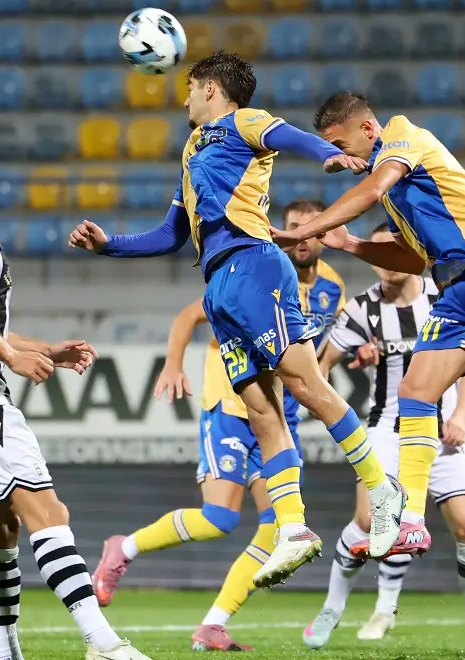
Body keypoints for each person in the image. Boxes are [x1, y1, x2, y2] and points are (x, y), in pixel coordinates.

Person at [68, 53, 404, 588]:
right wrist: (109, 244)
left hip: (254, 264)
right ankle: (294, 529)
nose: (185, 99)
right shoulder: (190, 151)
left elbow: (289, 135)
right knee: (261, 410)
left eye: (190, 88)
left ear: (210, 88)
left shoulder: (243, 121)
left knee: (304, 383)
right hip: (219, 283)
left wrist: (330, 155)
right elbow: (170, 235)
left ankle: (383, 488)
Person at [271, 92, 465, 651]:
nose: (342, 159)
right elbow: (414, 258)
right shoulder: (397, 190)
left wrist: (305, 230)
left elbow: (369, 188)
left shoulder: (403, 137)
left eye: (341, 146)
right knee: (415, 390)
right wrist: (353, 244)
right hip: (457, 285)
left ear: (367, 129)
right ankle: (411, 517)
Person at [0, 133, 149, 660]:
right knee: (49, 513)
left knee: (0, 530)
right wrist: (11, 356)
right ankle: (103, 643)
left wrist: (41, 349)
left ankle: (6, 652)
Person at [88, 200, 345, 652]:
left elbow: (312, 349)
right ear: (280, 231)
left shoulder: (332, 289)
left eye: (311, 230)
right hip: (232, 402)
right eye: (293, 228)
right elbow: (188, 316)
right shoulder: (260, 269)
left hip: (281, 416)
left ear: (324, 235)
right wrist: (172, 365)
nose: (302, 238)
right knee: (220, 517)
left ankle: (214, 623)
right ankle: (122, 549)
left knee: (277, 527)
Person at [302, 223, 465, 653]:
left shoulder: (444, 299)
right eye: (377, 255)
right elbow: (319, 364)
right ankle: (332, 608)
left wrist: (460, 415)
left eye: (393, 251)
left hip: (440, 434)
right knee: (369, 521)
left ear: (412, 253)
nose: (385, 263)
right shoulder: (361, 309)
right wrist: (327, 392)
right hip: (386, 432)